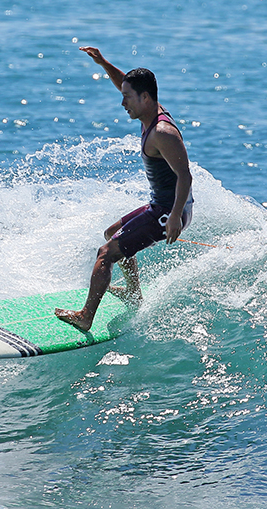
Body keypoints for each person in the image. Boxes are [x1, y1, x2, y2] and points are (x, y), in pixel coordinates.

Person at [55, 46, 194, 332]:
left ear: (145, 98)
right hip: (161, 205)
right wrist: (104, 62)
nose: (122, 104)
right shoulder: (150, 111)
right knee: (111, 234)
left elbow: (185, 177)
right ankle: (133, 292)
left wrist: (176, 219)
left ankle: (85, 317)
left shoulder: (162, 133)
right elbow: (125, 83)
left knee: (106, 252)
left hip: (169, 211)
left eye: (127, 98)